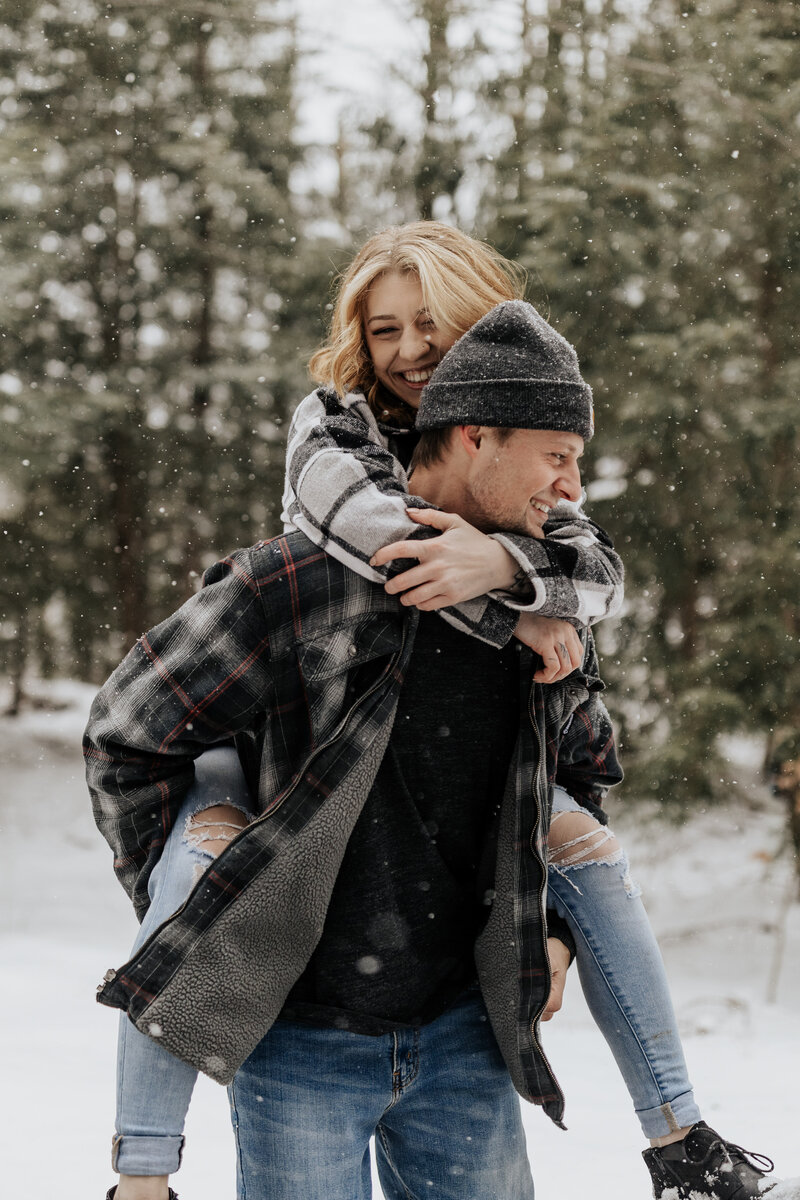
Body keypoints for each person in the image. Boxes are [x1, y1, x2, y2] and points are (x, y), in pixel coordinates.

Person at [87, 231, 778, 1200]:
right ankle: (141, 1170)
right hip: (305, 1032)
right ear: (472, 432)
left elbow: (575, 769)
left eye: (434, 327)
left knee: (586, 846)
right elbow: (129, 729)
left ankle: (679, 1140)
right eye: (387, 331)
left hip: (462, 1033)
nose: (411, 350)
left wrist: (512, 575)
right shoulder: (308, 560)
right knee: (203, 847)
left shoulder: (546, 581)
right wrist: (200, 901)